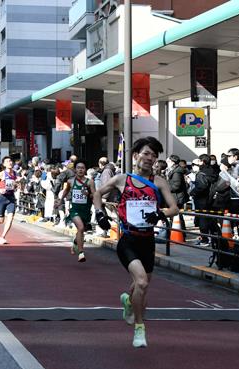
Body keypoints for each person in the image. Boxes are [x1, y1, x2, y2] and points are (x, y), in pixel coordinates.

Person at [92, 137, 179, 348]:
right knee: (141, 281)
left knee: (143, 286)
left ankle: (128, 302)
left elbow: (174, 208)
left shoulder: (159, 182)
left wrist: (159, 214)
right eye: (147, 154)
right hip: (128, 240)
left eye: (154, 156)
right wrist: (100, 214)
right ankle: (139, 329)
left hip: (147, 240)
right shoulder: (122, 179)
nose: (150, 159)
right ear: (136, 155)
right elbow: (97, 193)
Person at [57, 161, 96, 262]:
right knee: (81, 227)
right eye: (78, 168)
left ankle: (75, 242)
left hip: (86, 211)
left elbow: (95, 195)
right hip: (75, 210)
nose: (80, 170)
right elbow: (66, 191)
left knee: (81, 230)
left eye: (82, 168)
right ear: (75, 170)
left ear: (85, 170)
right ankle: (81, 252)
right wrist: (60, 201)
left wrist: (88, 194)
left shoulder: (90, 182)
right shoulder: (71, 181)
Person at [0, 156, 19, 245]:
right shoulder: (1, 174)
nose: (9, 162)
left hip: (11, 198)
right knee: (0, 221)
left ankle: (2, 237)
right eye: (7, 161)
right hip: (2, 198)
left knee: (10, 218)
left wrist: (17, 184)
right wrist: (0, 190)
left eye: (10, 161)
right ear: (4, 164)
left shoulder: (15, 173)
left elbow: (15, 185)